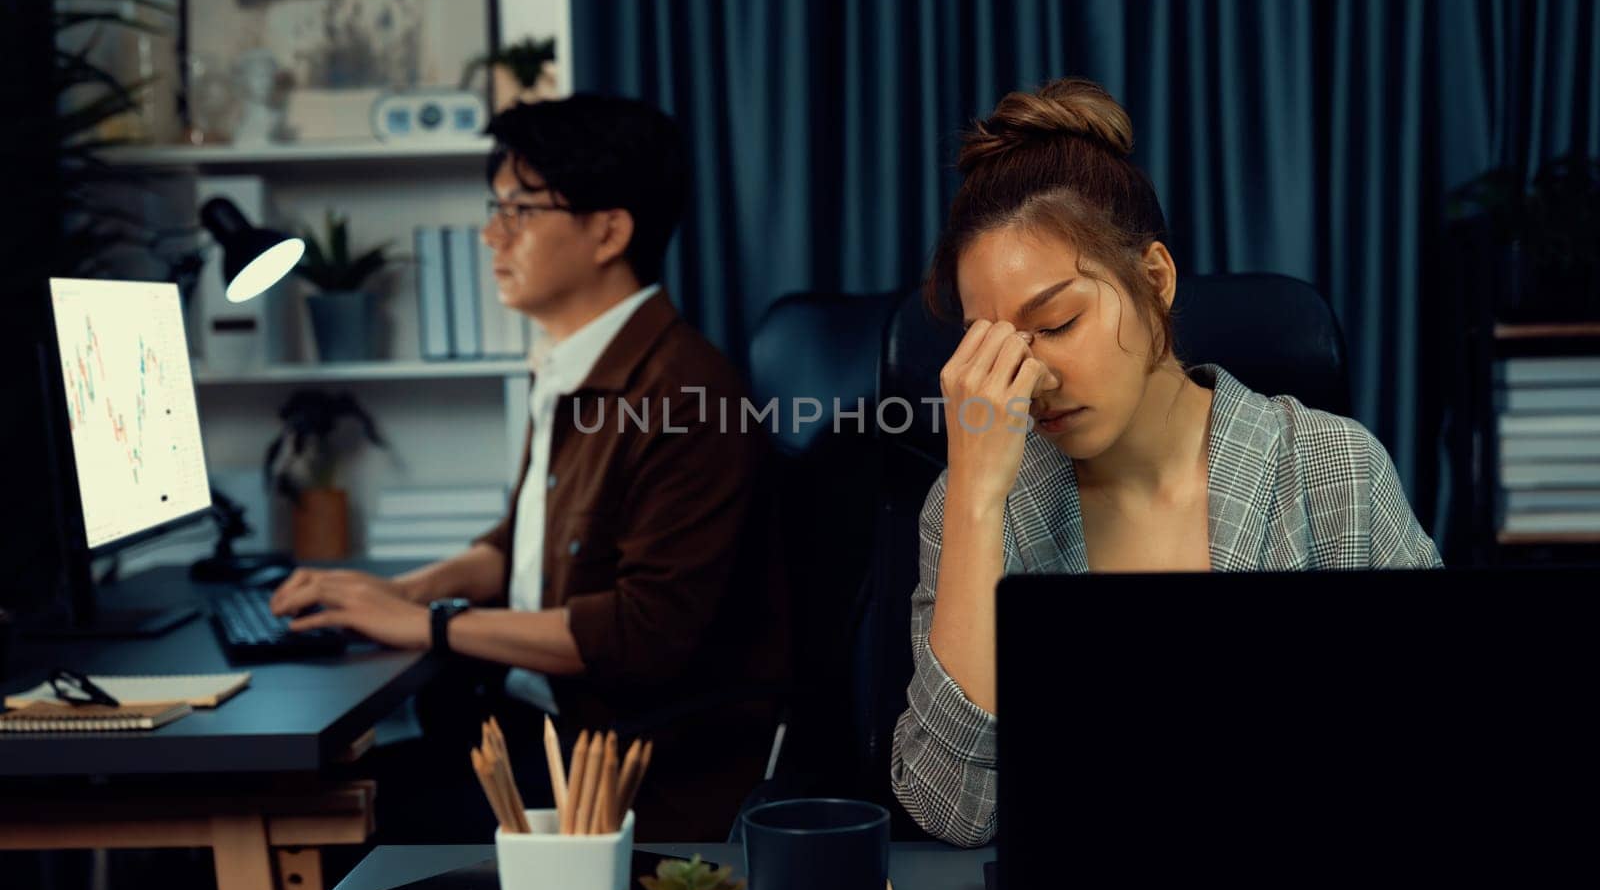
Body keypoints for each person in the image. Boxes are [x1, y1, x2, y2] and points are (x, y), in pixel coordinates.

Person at [890, 78, 1442, 847]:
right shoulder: (979, 503)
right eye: (995, 345)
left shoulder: (1332, 472)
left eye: (1057, 323)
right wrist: (977, 500)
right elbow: (953, 810)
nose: (1031, 375)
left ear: (1154, 280)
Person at [271, 95, 789, 841]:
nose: (491, 234)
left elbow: (639, 635)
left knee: (322, 811)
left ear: (609, 230)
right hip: (539, 735)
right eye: (496, 208)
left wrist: (429, 623)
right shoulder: (573, 365)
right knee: (330, 783)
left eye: (520, 210)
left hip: (619, 776)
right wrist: (401, 589)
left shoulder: (684, 396)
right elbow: (524, 543)